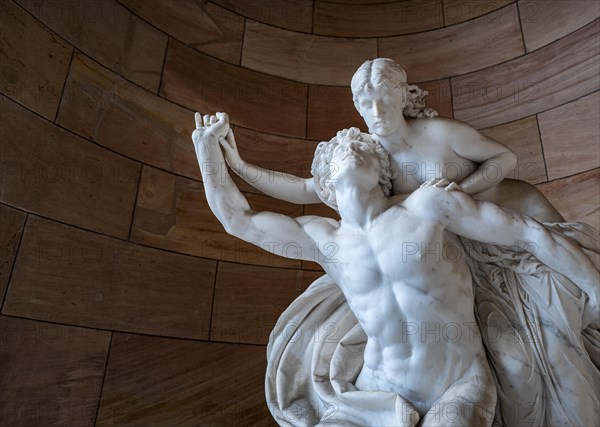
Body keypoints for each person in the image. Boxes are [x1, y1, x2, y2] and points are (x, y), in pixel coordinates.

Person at [192, 113, 599, 426]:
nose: (351, 148)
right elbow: (239, 220)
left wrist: (594, 286)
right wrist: (209, 155)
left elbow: (526, 233)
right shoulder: (323, 239)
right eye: (338, 151)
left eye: (364, 148)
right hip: (374, 394)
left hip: (457, 383)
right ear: (325, 182)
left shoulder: (426, 207)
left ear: (382, 171)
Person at [218, 58, 563, 223]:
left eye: (385, 99)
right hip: (462, 241)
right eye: (367, 103)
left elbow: (505, 159)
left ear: (403, 97)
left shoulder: (440, 132)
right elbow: (308, 190)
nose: (377, 110)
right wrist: (240, 166)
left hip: (520, 214)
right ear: (357, 106)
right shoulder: (367, 155)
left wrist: (459, 191)